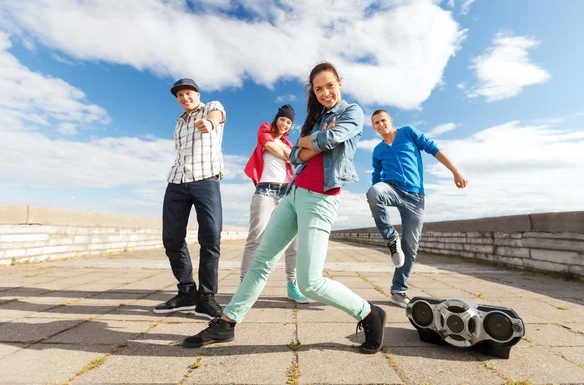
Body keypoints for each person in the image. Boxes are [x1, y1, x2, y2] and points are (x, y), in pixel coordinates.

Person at [183, 62, 387, 354]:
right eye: (319, 88)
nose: (325, 92)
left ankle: (368, 313)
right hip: (293, 194)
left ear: (340, 83)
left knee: (310, 282)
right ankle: (227, 323)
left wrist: (307, 143)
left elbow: (329, 140)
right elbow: (296, 156)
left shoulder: (351, 112)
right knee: (262, 260)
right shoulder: (317, 120)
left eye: (330, 85)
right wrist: (309, 144)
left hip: (321, 197)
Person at [367, 109, 468, 308]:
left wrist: (456, 172)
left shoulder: (407, 133)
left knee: (410, 248)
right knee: (374, 192)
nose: (381, 125)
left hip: (415, 198)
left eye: (383, 121)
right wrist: (375, 192)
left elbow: (433, 149)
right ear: (373, 127)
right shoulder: (378, 150)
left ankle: (398, 291)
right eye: (376, 123)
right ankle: (390, 238)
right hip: (392, 189)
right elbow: (376, 177)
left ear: (390, 121)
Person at [153, 78, 226, 320]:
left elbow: (217, 115)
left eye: (189, 93)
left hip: (206, 180)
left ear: (197, 93)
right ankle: (186, 292)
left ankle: (206, 298)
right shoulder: (178, 123)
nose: (185, 98)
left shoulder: (211, 108)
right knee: (172, 239)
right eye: (180, 95)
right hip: (176, 181)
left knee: (210, 238)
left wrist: (209, 123)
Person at [241, 104, 310, 304]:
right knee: (256, 238)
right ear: (277, 119)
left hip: (287, 193)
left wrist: (290, 154)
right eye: (283, 120)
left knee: (294, 243)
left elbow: (295, 160)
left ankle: (293, 286)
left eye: (289, 122)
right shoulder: (264, 129)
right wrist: (289, 154)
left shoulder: (289, 143)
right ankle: (245, 285)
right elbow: (276, 149)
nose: (285, 124)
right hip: (265, 190)